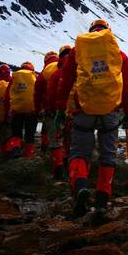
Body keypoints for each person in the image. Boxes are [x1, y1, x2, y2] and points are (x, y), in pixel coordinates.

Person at [55, 19, 128, 217]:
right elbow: (127, 85)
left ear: (90, 32)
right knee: (108, 155)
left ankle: (81, 186)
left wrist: (59, 109)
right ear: (109, 32)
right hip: (111, 111)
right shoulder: (119, 54)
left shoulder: (78, 50)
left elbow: (65, 82)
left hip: (84, 110)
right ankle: (101, 201)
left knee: (79, 153)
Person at [45, 45, 73, 179]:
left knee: (56, 140)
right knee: (73, 142)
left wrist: (52, 111)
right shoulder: (81, 67)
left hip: (59, 112)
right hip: (76, 112)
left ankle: (58, 171)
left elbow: (50, 95)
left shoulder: (56, 73)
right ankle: (75, 175)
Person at [4, 61, 38, 159]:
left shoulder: (15, 77)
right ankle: (28, 156)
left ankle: (15, 150)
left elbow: (7, 95)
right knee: (30, 135)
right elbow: (40, 93)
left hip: (17, 111)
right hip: (32, 111)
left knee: (16, 133)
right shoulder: (35, 76)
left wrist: (8, 111)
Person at [34, 51, 59, 154]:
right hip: (68, 107)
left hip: (50, 108)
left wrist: (37, 110)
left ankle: (46, 150)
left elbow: (37, 94)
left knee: (49, 129)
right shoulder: (64, 66)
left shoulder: (44, 72)